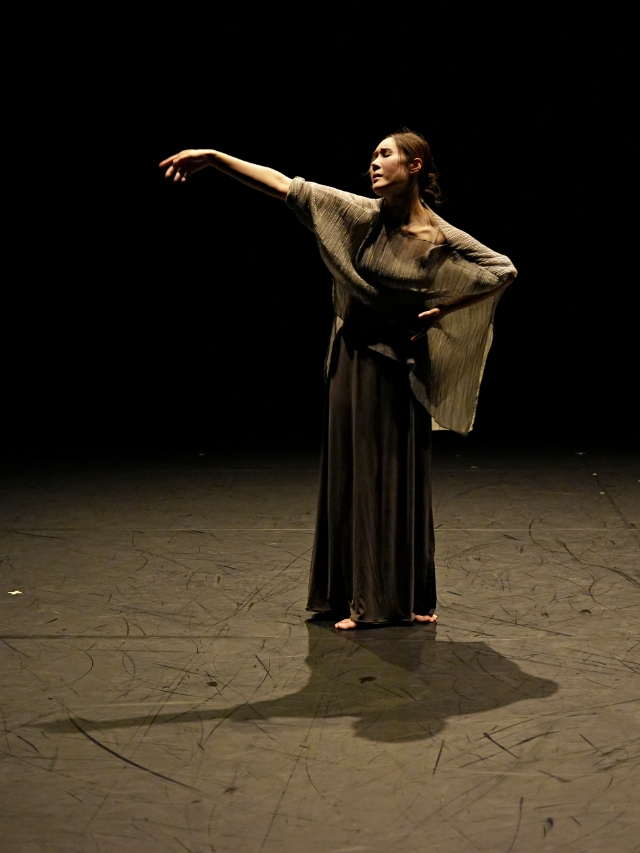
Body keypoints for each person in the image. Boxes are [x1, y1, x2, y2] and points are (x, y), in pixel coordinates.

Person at [159, 130, 515, 630]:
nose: (374, 164)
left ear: (414, 166)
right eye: (372, 156)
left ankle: (404, 597)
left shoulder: (440, 235)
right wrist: (215, 158)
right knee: (358, 473)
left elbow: (503, 270)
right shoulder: (358, 214)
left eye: (385, 154)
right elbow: (283, 186)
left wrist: (443, 310)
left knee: (399, 477)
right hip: (356, 359)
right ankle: (357, 596)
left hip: (404, 367)